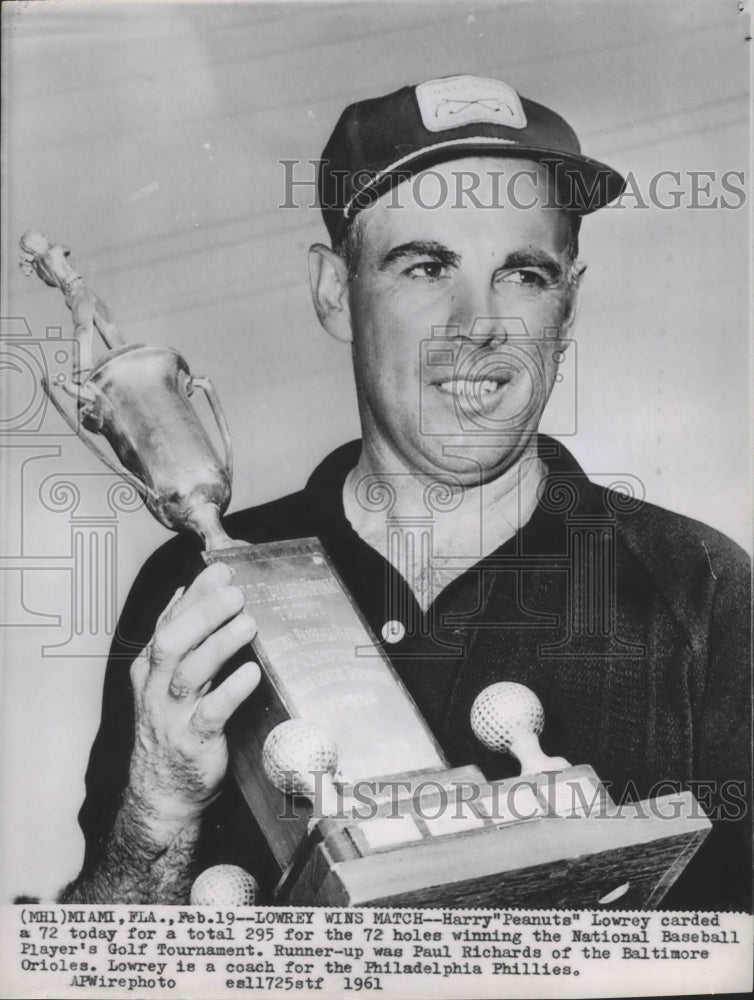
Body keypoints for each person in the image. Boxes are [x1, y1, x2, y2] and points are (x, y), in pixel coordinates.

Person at [59, 75, 751, 910]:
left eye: (524, 275)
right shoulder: (191, 591)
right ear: (334, 292)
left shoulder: (701, 587)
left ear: (570, 308)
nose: (479, 323)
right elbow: (95, 967)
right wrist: (156, 811)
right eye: (427, 266)